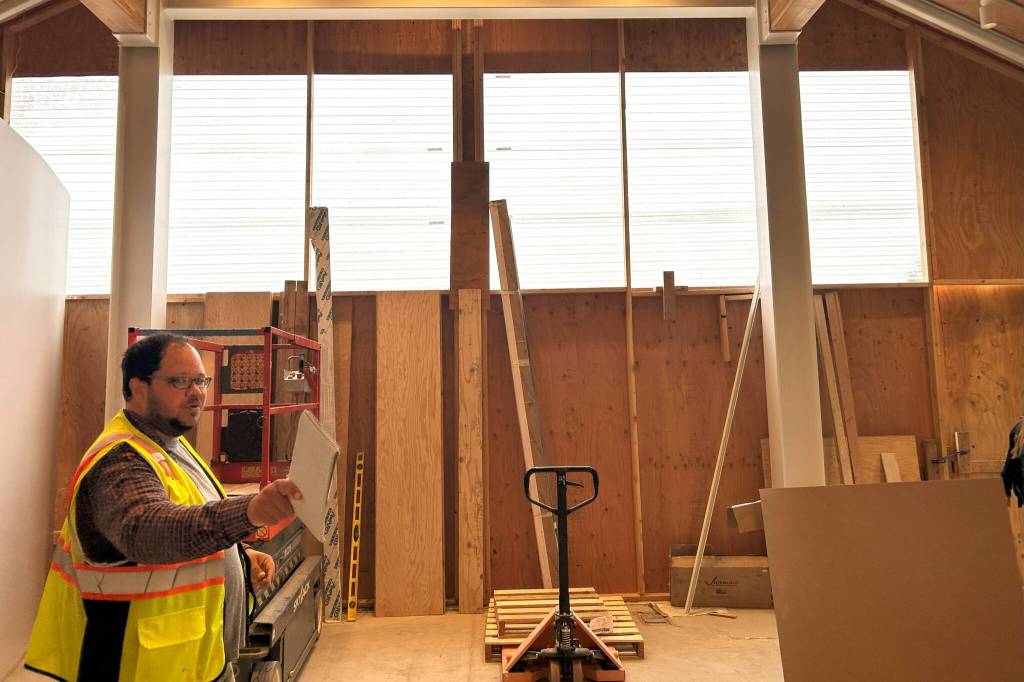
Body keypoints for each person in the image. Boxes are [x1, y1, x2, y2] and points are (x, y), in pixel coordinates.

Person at [25, 333, 303, 682]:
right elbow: (149, 532)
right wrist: (249, 512)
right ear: (137, 387)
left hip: (191, 659)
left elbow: (186, 514)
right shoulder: (119, 460)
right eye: (179, 381)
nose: (197, 392)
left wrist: (238, 553)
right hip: (136, 665)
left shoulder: (170, 444)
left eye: (201, 381)